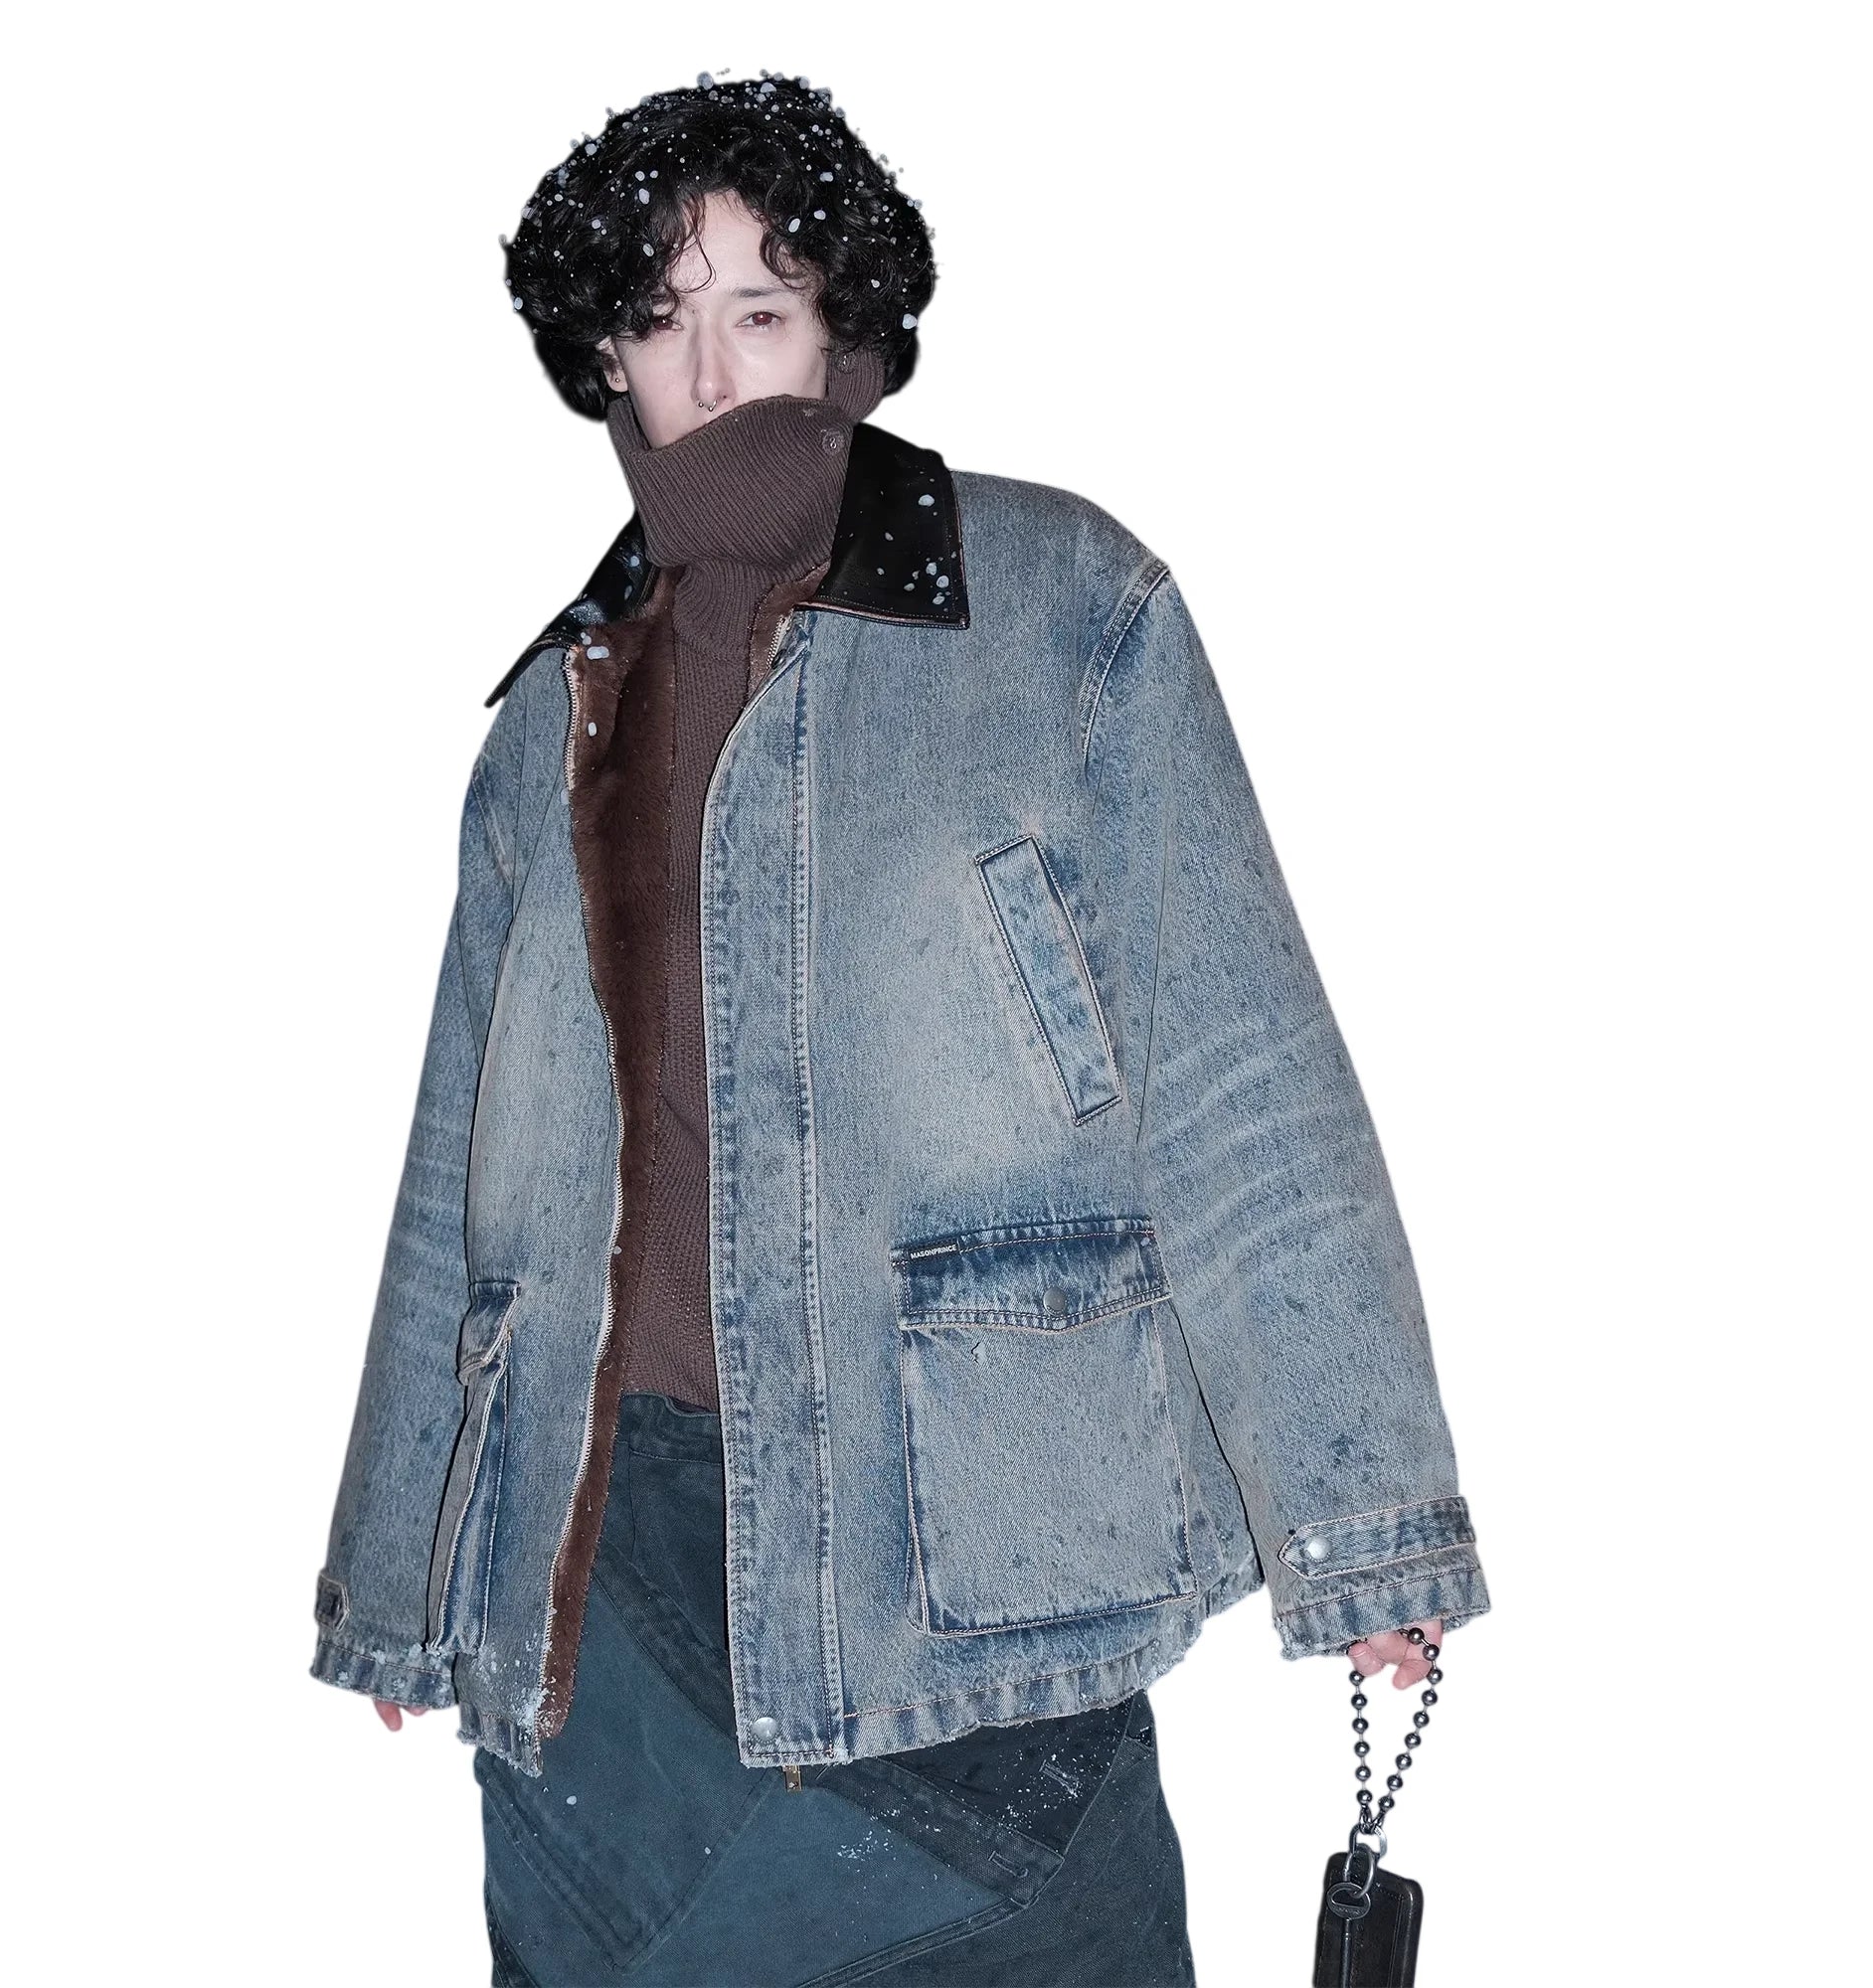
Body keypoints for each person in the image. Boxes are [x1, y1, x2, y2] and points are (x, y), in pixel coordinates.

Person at [310, 70, 1491, 1986]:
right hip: (606, 1586)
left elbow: (1237, 1070)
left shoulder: (1059, 606)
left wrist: (1360, 1525)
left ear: (844, 331)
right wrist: (408, 1567)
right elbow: (459, 1166)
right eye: (661, 322)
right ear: (606, 362)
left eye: (759, 310)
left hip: (963, 1569)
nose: (713, 370)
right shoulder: (550, 712)